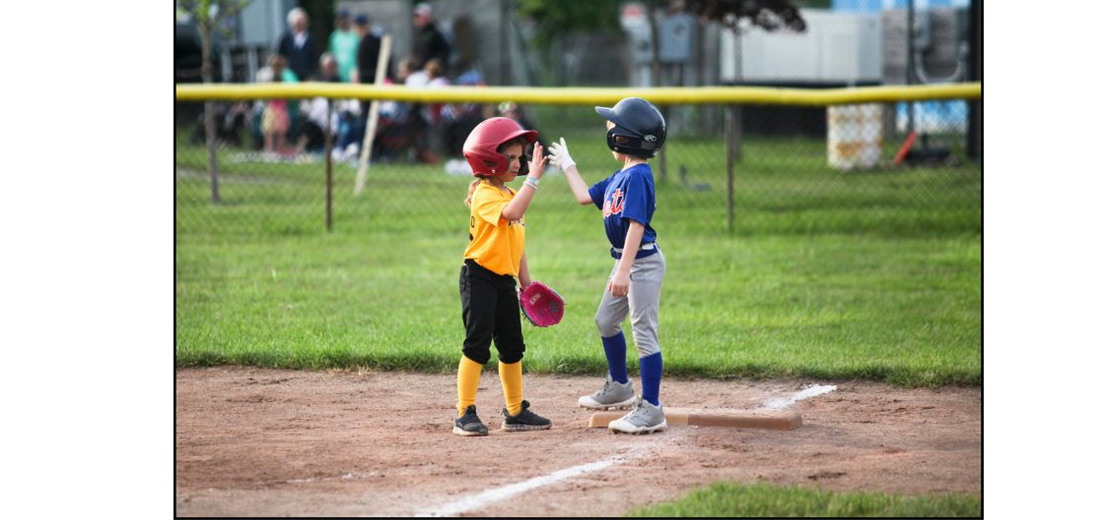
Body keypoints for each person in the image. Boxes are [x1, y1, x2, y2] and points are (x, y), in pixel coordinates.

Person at [546, 97, 669, 435]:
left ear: (627, 137)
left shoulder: (639, 176)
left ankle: (652, 408)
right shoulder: (621, 176)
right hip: (626, 262)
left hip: (640, 262)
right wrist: (568, 164)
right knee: (605, 321)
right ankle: (619, 385)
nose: (609, 129)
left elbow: (636, 225)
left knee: (644, 333)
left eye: (613, 125)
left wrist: (623, 271)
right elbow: (585, 196)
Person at [453, 117, 551, 437]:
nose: (519, 163)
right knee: (477, 345)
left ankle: (515, 411)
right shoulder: (485, 194)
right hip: (479, 278)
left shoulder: (509, 193)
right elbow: (513, 215)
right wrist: (533, 179)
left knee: (512, 347)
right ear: (489, 158)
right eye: (512, 157)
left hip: (505, 281)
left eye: (521, 157)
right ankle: (464, 412)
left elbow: (517, 244)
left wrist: (527, 284)